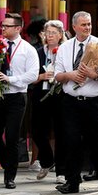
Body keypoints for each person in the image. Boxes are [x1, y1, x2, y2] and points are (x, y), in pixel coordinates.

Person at [53, 11, 98, 193]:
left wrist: (93, 74)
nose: (87, 27)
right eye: (83, 24)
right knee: (71, 141)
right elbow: (57, 75)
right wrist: (69, 75)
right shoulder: (65, 47)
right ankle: (72, 181)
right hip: (71, 102)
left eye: (89, 24)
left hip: (94, 101)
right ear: (74, 27)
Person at [0, 12, 39, 189]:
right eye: (2, 26)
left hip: (16, 96)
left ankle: (10, 176)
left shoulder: (27, 49)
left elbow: (32, 75)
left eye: (7, 26)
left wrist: (12, 79)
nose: (3, 29)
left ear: (18, 28)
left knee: (11, 136)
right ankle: (8, 163)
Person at [30, 20, 64, 181]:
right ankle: (47, 160)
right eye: (47, 33)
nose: (49, 36)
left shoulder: (64, 51)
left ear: (60, 35)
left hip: (59, 94)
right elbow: (29, 76)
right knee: (36, 130)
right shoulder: (37, 52)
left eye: (53, 33)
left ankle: (61, 172)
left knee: (60, 131)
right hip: (40, 94)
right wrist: (41, 77)